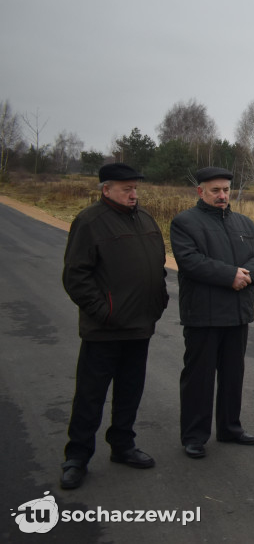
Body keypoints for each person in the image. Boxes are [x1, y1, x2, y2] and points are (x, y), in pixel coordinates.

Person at [60, 163, 169, 490]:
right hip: (104, 329)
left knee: (129, 391)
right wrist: (104, 312)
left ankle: (122, 445)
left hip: (140, 327)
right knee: (90, 395)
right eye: (126, 189)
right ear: (106, 189)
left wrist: (159, 300)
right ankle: (77, 457)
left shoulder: (146, 219)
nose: (133, 194)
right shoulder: (90, 221)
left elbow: (158, 267)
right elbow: (75, 276)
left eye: (135, 188)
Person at [171, 166, 254, 459]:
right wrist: (230, 275)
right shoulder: (185, 223)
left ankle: (230, 427)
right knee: (199, 378)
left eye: (226, 189)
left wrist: (248, 273)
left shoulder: (243, 223)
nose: (222, 195)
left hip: (238, 313)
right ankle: (194, 436)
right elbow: (189, 261)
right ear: (200, 191)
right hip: (203, 313)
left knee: (232, 374)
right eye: (215, 190)